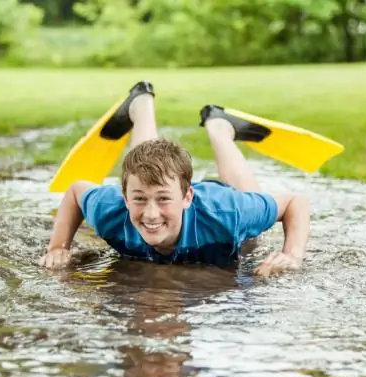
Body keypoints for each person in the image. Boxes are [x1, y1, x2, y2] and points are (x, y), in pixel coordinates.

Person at [38, 81, 310, 276]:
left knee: (250, 230)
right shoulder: (110, 209)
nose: (151, 214)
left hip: (217, 204)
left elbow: (293, 203)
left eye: (164, 200)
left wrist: (292, 256)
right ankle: (141, 105)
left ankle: (219, 126)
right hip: (154, 187)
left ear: (187, 196)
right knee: (143, 170)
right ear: (124, 197)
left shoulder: (229, 212)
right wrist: (58, 247)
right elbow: (76, 191)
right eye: (138, 200)